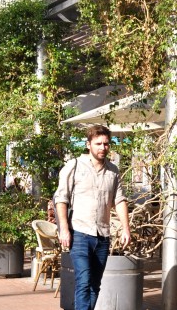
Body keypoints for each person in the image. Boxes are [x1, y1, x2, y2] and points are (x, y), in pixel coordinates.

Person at [54, 124, 131, 310]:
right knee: (84, 280)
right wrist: (64, 229)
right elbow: (61, 198)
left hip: (103, 235)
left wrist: (126, 228)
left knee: (95, 285)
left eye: (106, 144)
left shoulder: (113, 171)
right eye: (98, 143)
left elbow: (119, 200)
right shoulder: (74, 166)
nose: (103, 147)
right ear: (88, 144)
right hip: (80, 233)